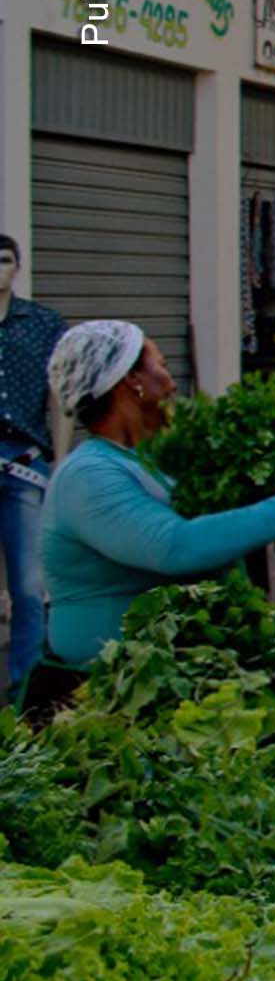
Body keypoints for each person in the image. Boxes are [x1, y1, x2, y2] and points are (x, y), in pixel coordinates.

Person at [37, 322, 275, 675]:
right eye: (162, 366)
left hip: (181, 654)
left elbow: (226, 514)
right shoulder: (87, 476)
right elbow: (177, 546)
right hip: (115, 670)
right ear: (132, 382)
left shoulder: (155, 458)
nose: (173, 384)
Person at [0, 234, 66, 695]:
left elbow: (60, 399)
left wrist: (58, 460)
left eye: (3, 260)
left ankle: (26, 689)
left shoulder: (43, 325)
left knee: (27, 583)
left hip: (24, 461)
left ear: (17, 268)